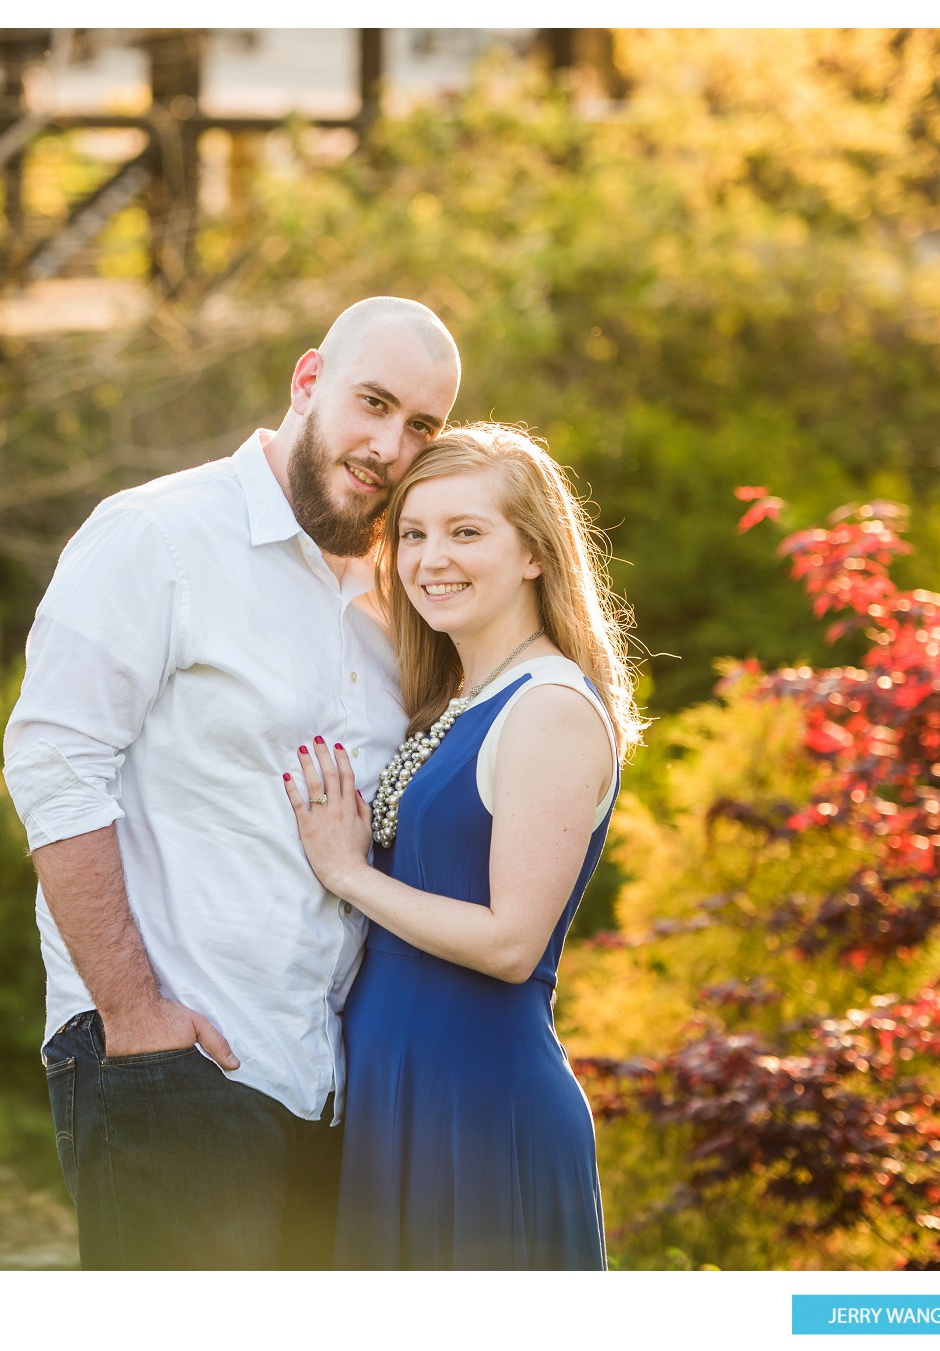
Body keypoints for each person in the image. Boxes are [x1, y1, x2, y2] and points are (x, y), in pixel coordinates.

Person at [2, 297, 462, 1269]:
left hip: (322, 1087)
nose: (388, 444)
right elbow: (53, 764)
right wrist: (134, 1015)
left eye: (421, 425)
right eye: (371, 403)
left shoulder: (397, 603)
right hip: (173, 1065)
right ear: (307, 382)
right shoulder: (156, 536)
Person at [282, 422, 644, 1269]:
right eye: (412, 533)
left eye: (466, 531)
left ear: (535, 554)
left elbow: (512, 943)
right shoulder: (459, 697)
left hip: (479, 1108)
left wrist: (346, 872)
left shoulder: (549, 706)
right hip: (397, 1098)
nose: (429, 558)